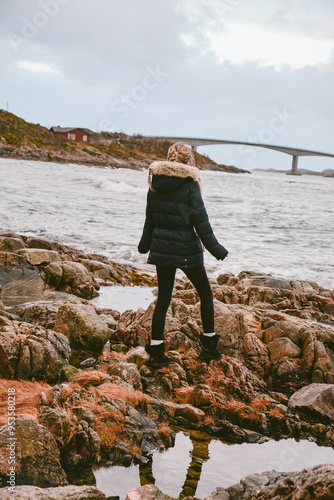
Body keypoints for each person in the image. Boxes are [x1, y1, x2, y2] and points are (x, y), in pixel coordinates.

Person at [138, 142, 228, 367]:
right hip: (187, 250)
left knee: (163, 300)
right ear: (188, 161)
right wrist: (217, 249)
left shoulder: (155, 184)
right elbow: (201, 222)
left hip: (162, 250)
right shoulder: (190, 185)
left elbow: (151, 220)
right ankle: (209, 348)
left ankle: (156, 353)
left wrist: (144, 245)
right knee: (205, 295)